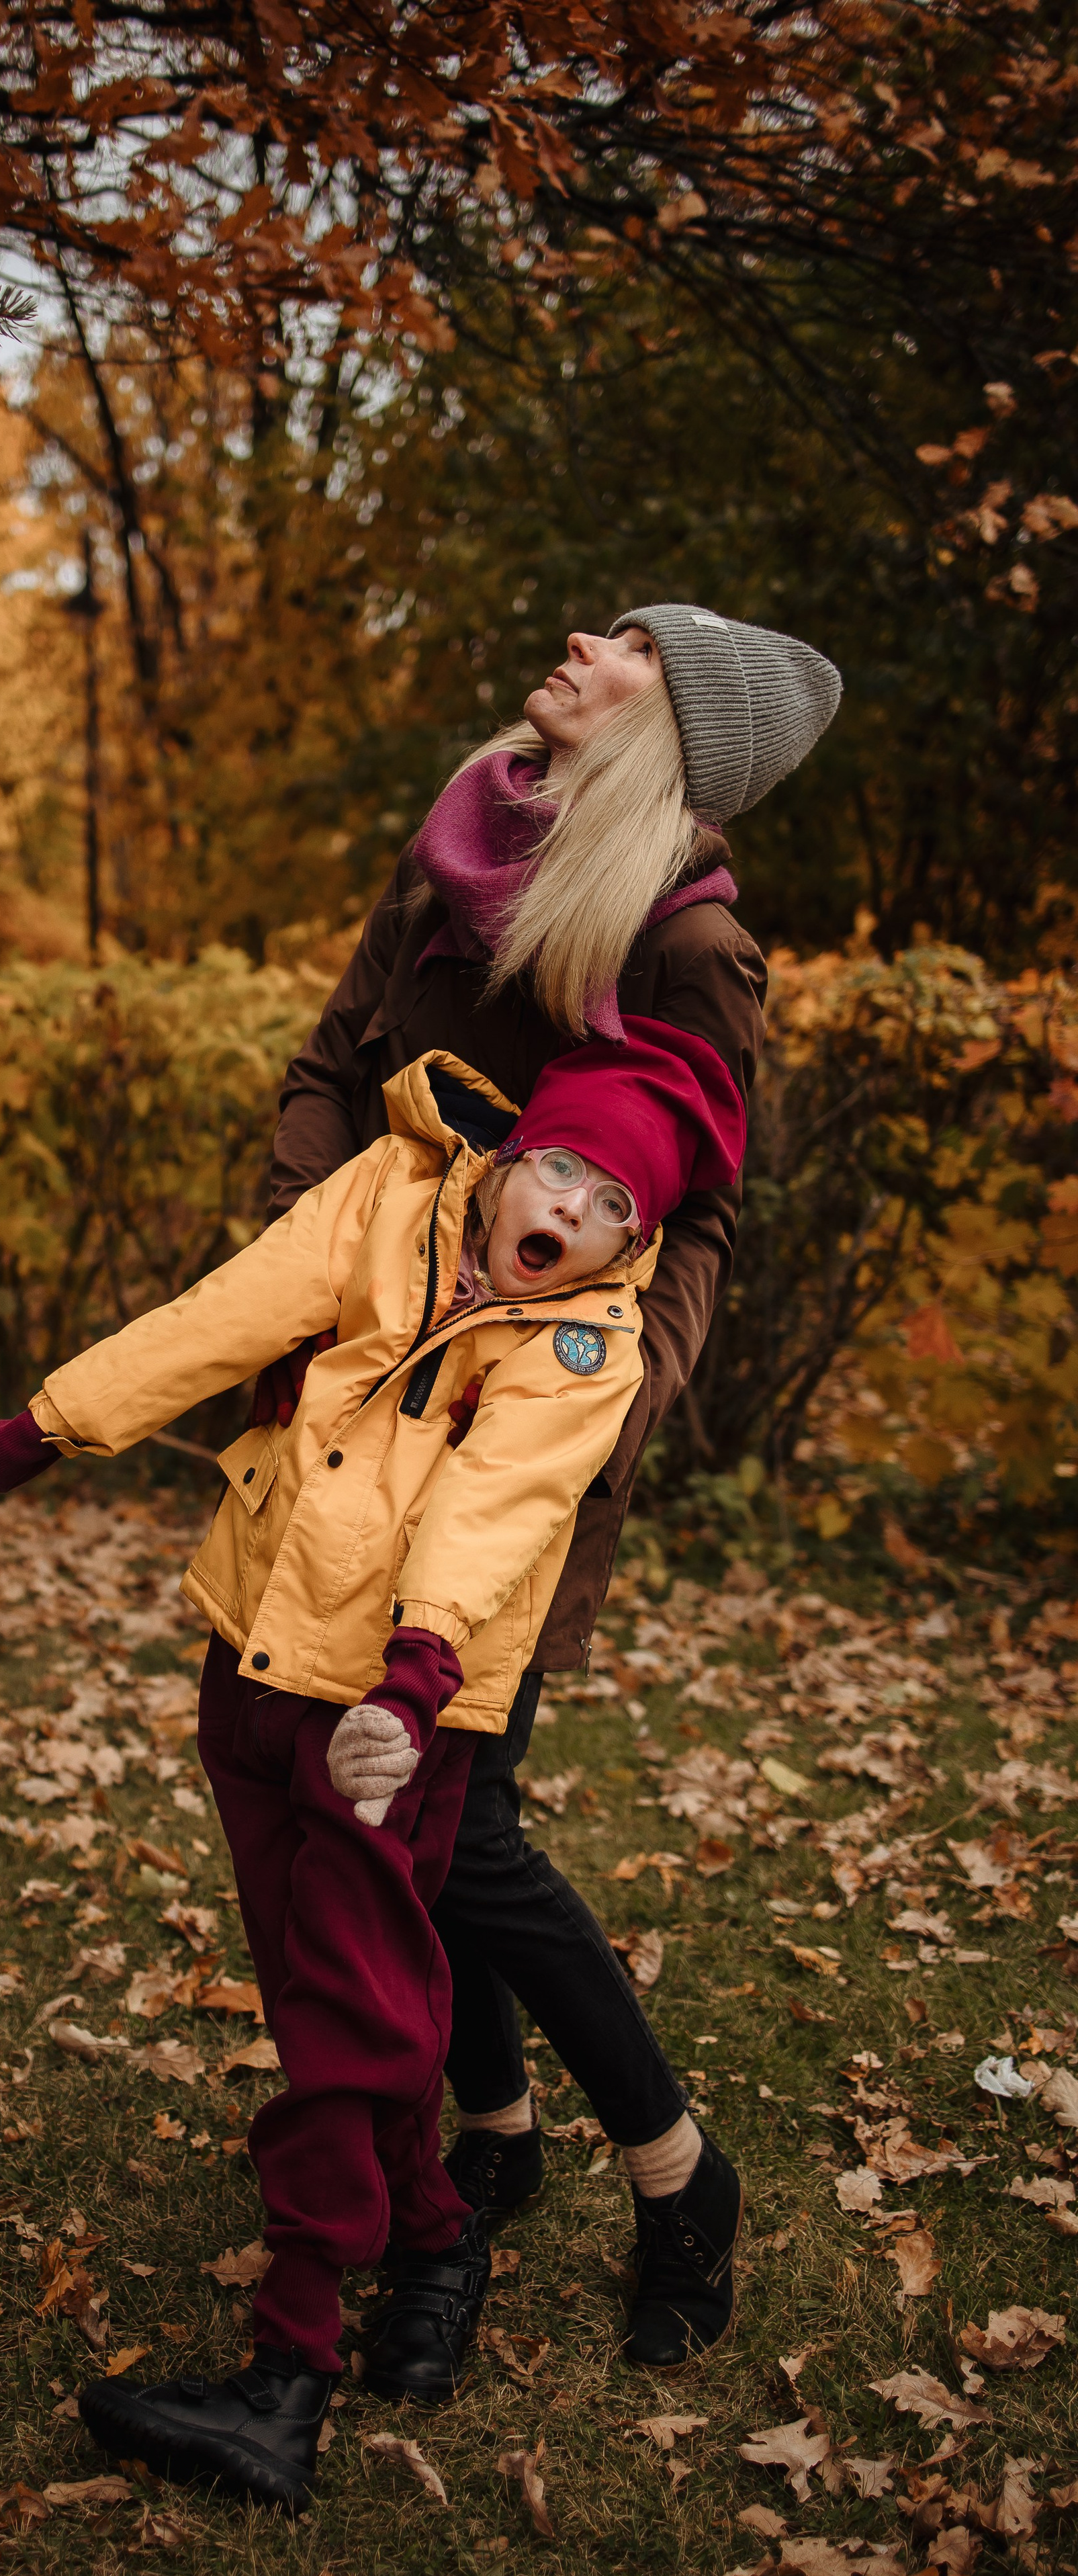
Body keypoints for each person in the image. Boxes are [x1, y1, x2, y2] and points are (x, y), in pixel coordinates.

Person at [0, 1019, 746, 2514]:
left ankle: (284, 2375)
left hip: (390, 1714)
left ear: (634, 1242)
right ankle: (435, 2242)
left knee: (350, 2023)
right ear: (507, 1161)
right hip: (254, 1647)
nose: (574, 1213)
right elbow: (216, 1319)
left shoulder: (584, 1343)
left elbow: (494, 1507)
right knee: (313, 1986)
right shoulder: (386, 1194)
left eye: (616, 1207)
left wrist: (411, 1686)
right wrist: (23, 1441)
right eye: (560, 1170)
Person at [255, 603, 841, 2391]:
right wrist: (300, 1291)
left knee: (462, 1824)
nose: (585, 640)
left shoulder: (689, 939)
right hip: (365, 1396)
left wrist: (594, 1416)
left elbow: (703, 1217)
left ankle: (676, 2174)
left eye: (633, 647)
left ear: (675, 728)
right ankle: (495, 2130)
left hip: (522, 1436)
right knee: (404, 1813)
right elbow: (331, 1069)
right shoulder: (462, 841)